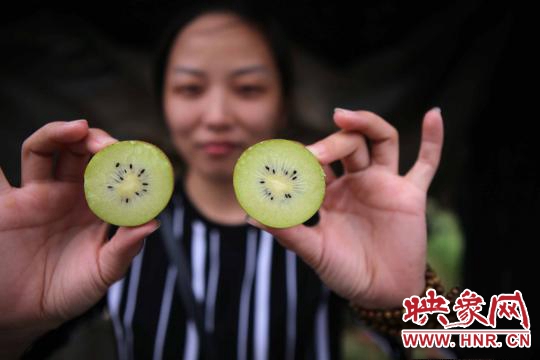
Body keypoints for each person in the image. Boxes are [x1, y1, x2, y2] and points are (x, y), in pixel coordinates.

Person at [0, 3, 444, 359]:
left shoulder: (331, 227)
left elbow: (499, 343)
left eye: (248, 89)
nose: (216, 117)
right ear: (163, 104)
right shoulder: (110, 236)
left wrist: (409, 300)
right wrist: (12, 325)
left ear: (282, 104)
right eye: (190, 89)